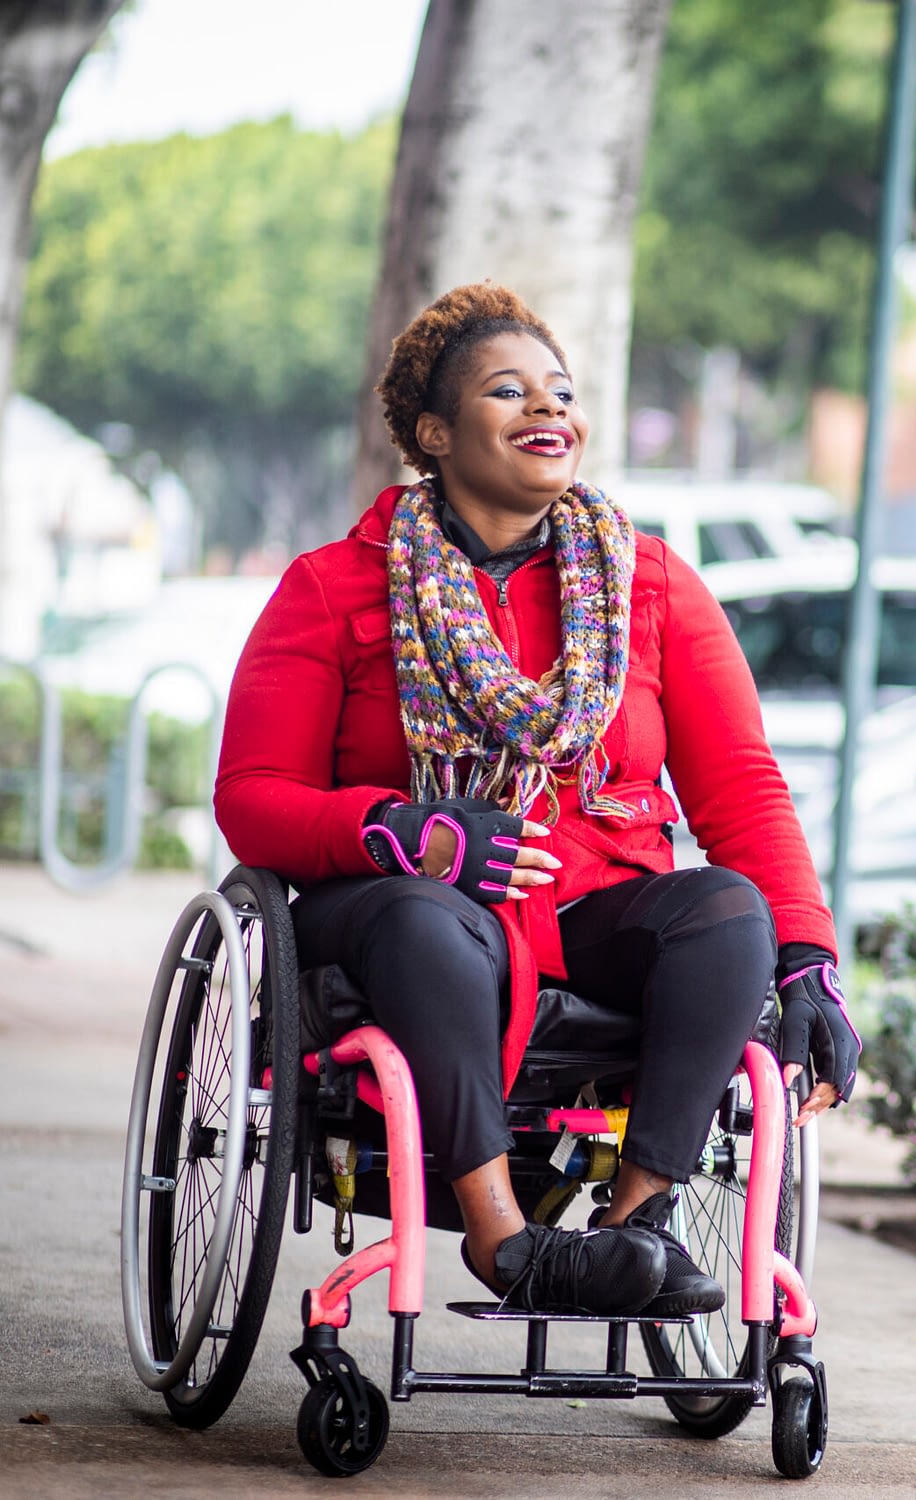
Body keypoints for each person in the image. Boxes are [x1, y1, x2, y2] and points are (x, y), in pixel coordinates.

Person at [215, 281, 860, 1319]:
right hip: (394, 908)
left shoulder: (647, 585)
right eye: (507, 392)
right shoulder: (336, 587)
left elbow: (741, 788)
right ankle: (501, 1238)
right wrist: (400, 832)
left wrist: (810, 962)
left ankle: (633, 1228)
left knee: (727, 911)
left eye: (558, 392)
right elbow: (252, 799)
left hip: (589, 901)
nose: (545, 411)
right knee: (430, 921)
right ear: (433, 431)